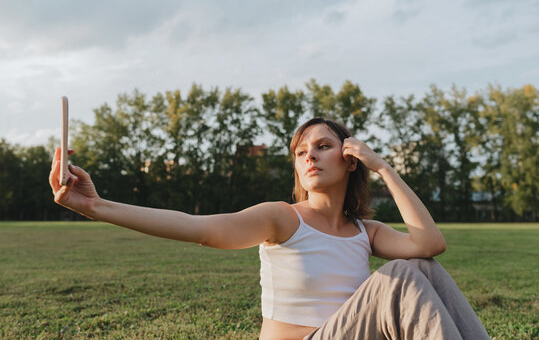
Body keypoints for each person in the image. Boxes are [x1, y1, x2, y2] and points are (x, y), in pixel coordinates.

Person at [49, 117, 490, 339]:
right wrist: (99, 206)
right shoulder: (283, 217)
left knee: (423, 268)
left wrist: (384, 168)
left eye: (323, 146)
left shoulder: (365, 232)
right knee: (399, 275)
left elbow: (431, 243)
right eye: (301, 152)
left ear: (350, 158)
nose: (310, 157)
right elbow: (198, 227)